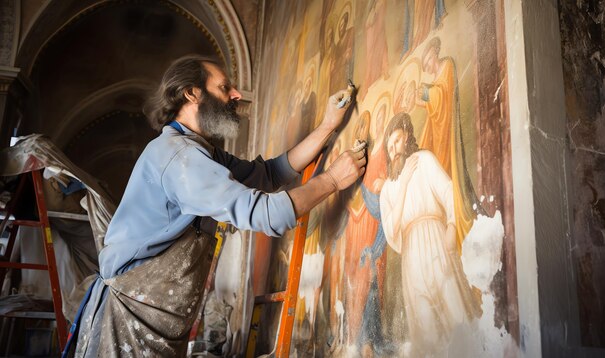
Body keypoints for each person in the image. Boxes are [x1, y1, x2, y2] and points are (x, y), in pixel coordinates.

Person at [69, 55, 366, 357]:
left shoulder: (198, 150)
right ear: (192, 93)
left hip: (152, 318)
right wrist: (330, 181)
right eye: (225, 87)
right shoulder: (179, 157)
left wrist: (329, 125)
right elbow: (265, 214)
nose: (236, 95)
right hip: (127, 321)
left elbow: (268, 175)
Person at [379, 113, 481, 356]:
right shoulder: (388, 188)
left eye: (397, 141)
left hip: (435, 236)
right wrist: (402, 186)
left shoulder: (424, 160)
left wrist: (452, 225)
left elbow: (448, 191)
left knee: (454, 305)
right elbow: (391, 229)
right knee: (425, 325)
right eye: (389, 146)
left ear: (407, 137)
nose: (394, 149)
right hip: (411, 255)